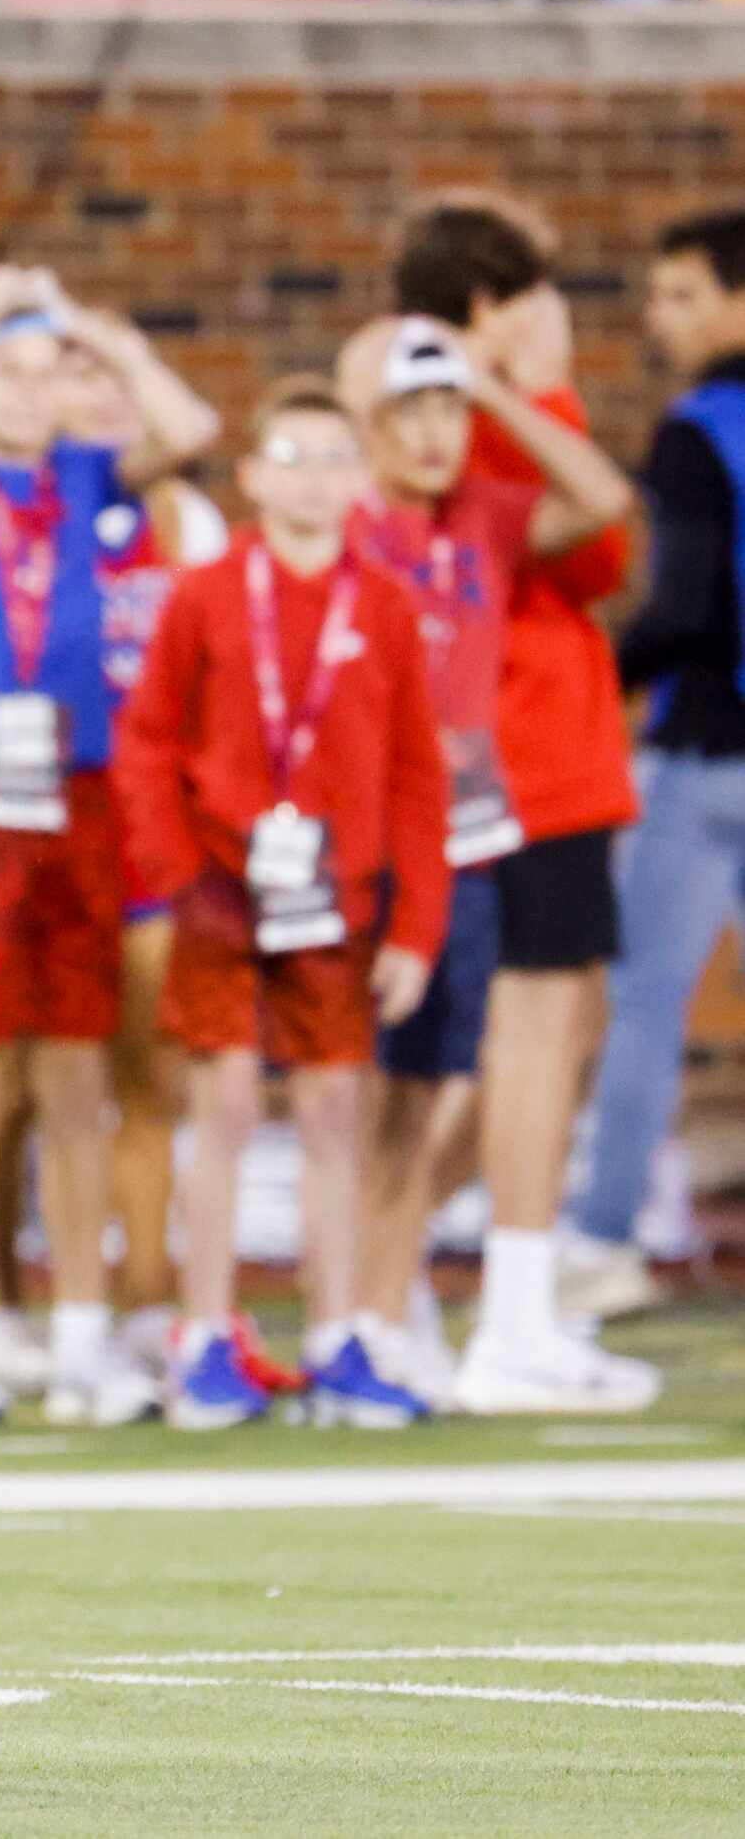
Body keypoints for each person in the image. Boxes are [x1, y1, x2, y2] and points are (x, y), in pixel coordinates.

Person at [0, 263, 218, 1430]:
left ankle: (82, 1340)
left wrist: (96, 338)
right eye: (5, 373)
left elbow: (189, 428)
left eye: (45, 374)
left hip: (80, 793)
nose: (26, 393)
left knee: (78, 1071)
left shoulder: (85, 473)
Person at [335, 316, 657, 1416]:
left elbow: (608, 501)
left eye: (445, 413)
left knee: (434, 1079)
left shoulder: (486, 515)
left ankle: (391, 1311)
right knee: (385, 1090)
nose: (432, 435)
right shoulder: (350, 524)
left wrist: (494, 393)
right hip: (376, 844)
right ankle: (369, 1315)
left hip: (468, 844)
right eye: (408, 412)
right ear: (364, 427)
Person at [115, 379, 449, 1430]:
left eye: (332, 458)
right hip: (222, 886)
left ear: (363, 479)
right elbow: (147, 742)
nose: (311, 480)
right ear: (254, 476)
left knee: (334, 1112)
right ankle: (207, 1336)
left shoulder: (386, 604)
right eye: (289, 459)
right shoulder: (209, 591)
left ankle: (343, 1335)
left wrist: (417, 926)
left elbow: (417, 775)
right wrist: (176, 875)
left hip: (335, 898)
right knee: (220, 1107)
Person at [565, 209, 745, 1315]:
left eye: (679, 295)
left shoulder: (699, 428)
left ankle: (600, 1242)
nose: (657, 318)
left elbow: (687, 605)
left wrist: (600, 676)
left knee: (642, 1009)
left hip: (708, 755)